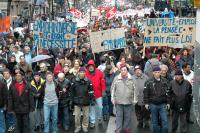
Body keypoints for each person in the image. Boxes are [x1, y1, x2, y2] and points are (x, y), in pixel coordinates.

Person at [144, 66, 170, 133]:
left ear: (160, 72)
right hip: (153, 104)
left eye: (158, 72)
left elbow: (168, 92)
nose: (157, 73)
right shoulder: (148, 81)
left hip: (163, 104)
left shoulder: (165, 81)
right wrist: (146, 103)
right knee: (154, 122)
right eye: (155, 72)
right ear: (153, 73)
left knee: (165, 121)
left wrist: (168, 103)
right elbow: (146, 93)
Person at [111, 64, 135, 133]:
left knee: (127, 117)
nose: (123, 71)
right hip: (119, 101)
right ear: (120, 71)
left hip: (128, 101)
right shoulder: (116, 78)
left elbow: (135, 90)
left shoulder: (132, 79)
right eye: (122, 70)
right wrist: (113, 98)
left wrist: (134, 99)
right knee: (119, 117)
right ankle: (118, 130)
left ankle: (127, 128)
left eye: (125, 70)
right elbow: (112, 89)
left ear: (127, 71)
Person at [71, 67, 95, 133]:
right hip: (77, 101)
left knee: (86, 116)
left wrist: (92, 100)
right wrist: (71, 101)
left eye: (83, 72)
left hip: (86, 101)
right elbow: (72, 92)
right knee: (77, 117)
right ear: (78, 72)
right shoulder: (74, 80)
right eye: (81, 72)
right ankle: (78, 127)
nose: (82, 73)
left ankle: (85, 127)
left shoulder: (88, 81)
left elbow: (91, 91)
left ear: (85, 73)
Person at [86, 59, 106, 128]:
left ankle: (100, 117)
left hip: (98, 93)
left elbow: (103, 82)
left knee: (100, 107)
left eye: (91, 66)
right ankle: (92, 122)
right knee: (91, 108)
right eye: (89, 66)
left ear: (94, 66)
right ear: (88, 67)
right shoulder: (86, 73)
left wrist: (103, 90)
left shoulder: (99, 72)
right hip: (90, 95)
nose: (90, 67)